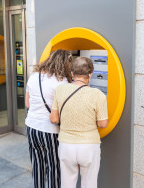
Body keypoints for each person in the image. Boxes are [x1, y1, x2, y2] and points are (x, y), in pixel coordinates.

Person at [50, 57, 109, 188]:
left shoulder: (60, 89)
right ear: (90, 74)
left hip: (66, 145)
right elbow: (103, 123)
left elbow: (53, 119)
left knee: (67, 184)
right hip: (89, 146)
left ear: (72, 74)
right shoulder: (98, 94)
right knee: (89, 184)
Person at [25, 50, 73, 188]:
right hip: (49, 131)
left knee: (37, 164)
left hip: (31, 127)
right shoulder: (62, 82)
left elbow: (28, 104)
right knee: (54, 167)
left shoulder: (34, 76)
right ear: (65, 64)